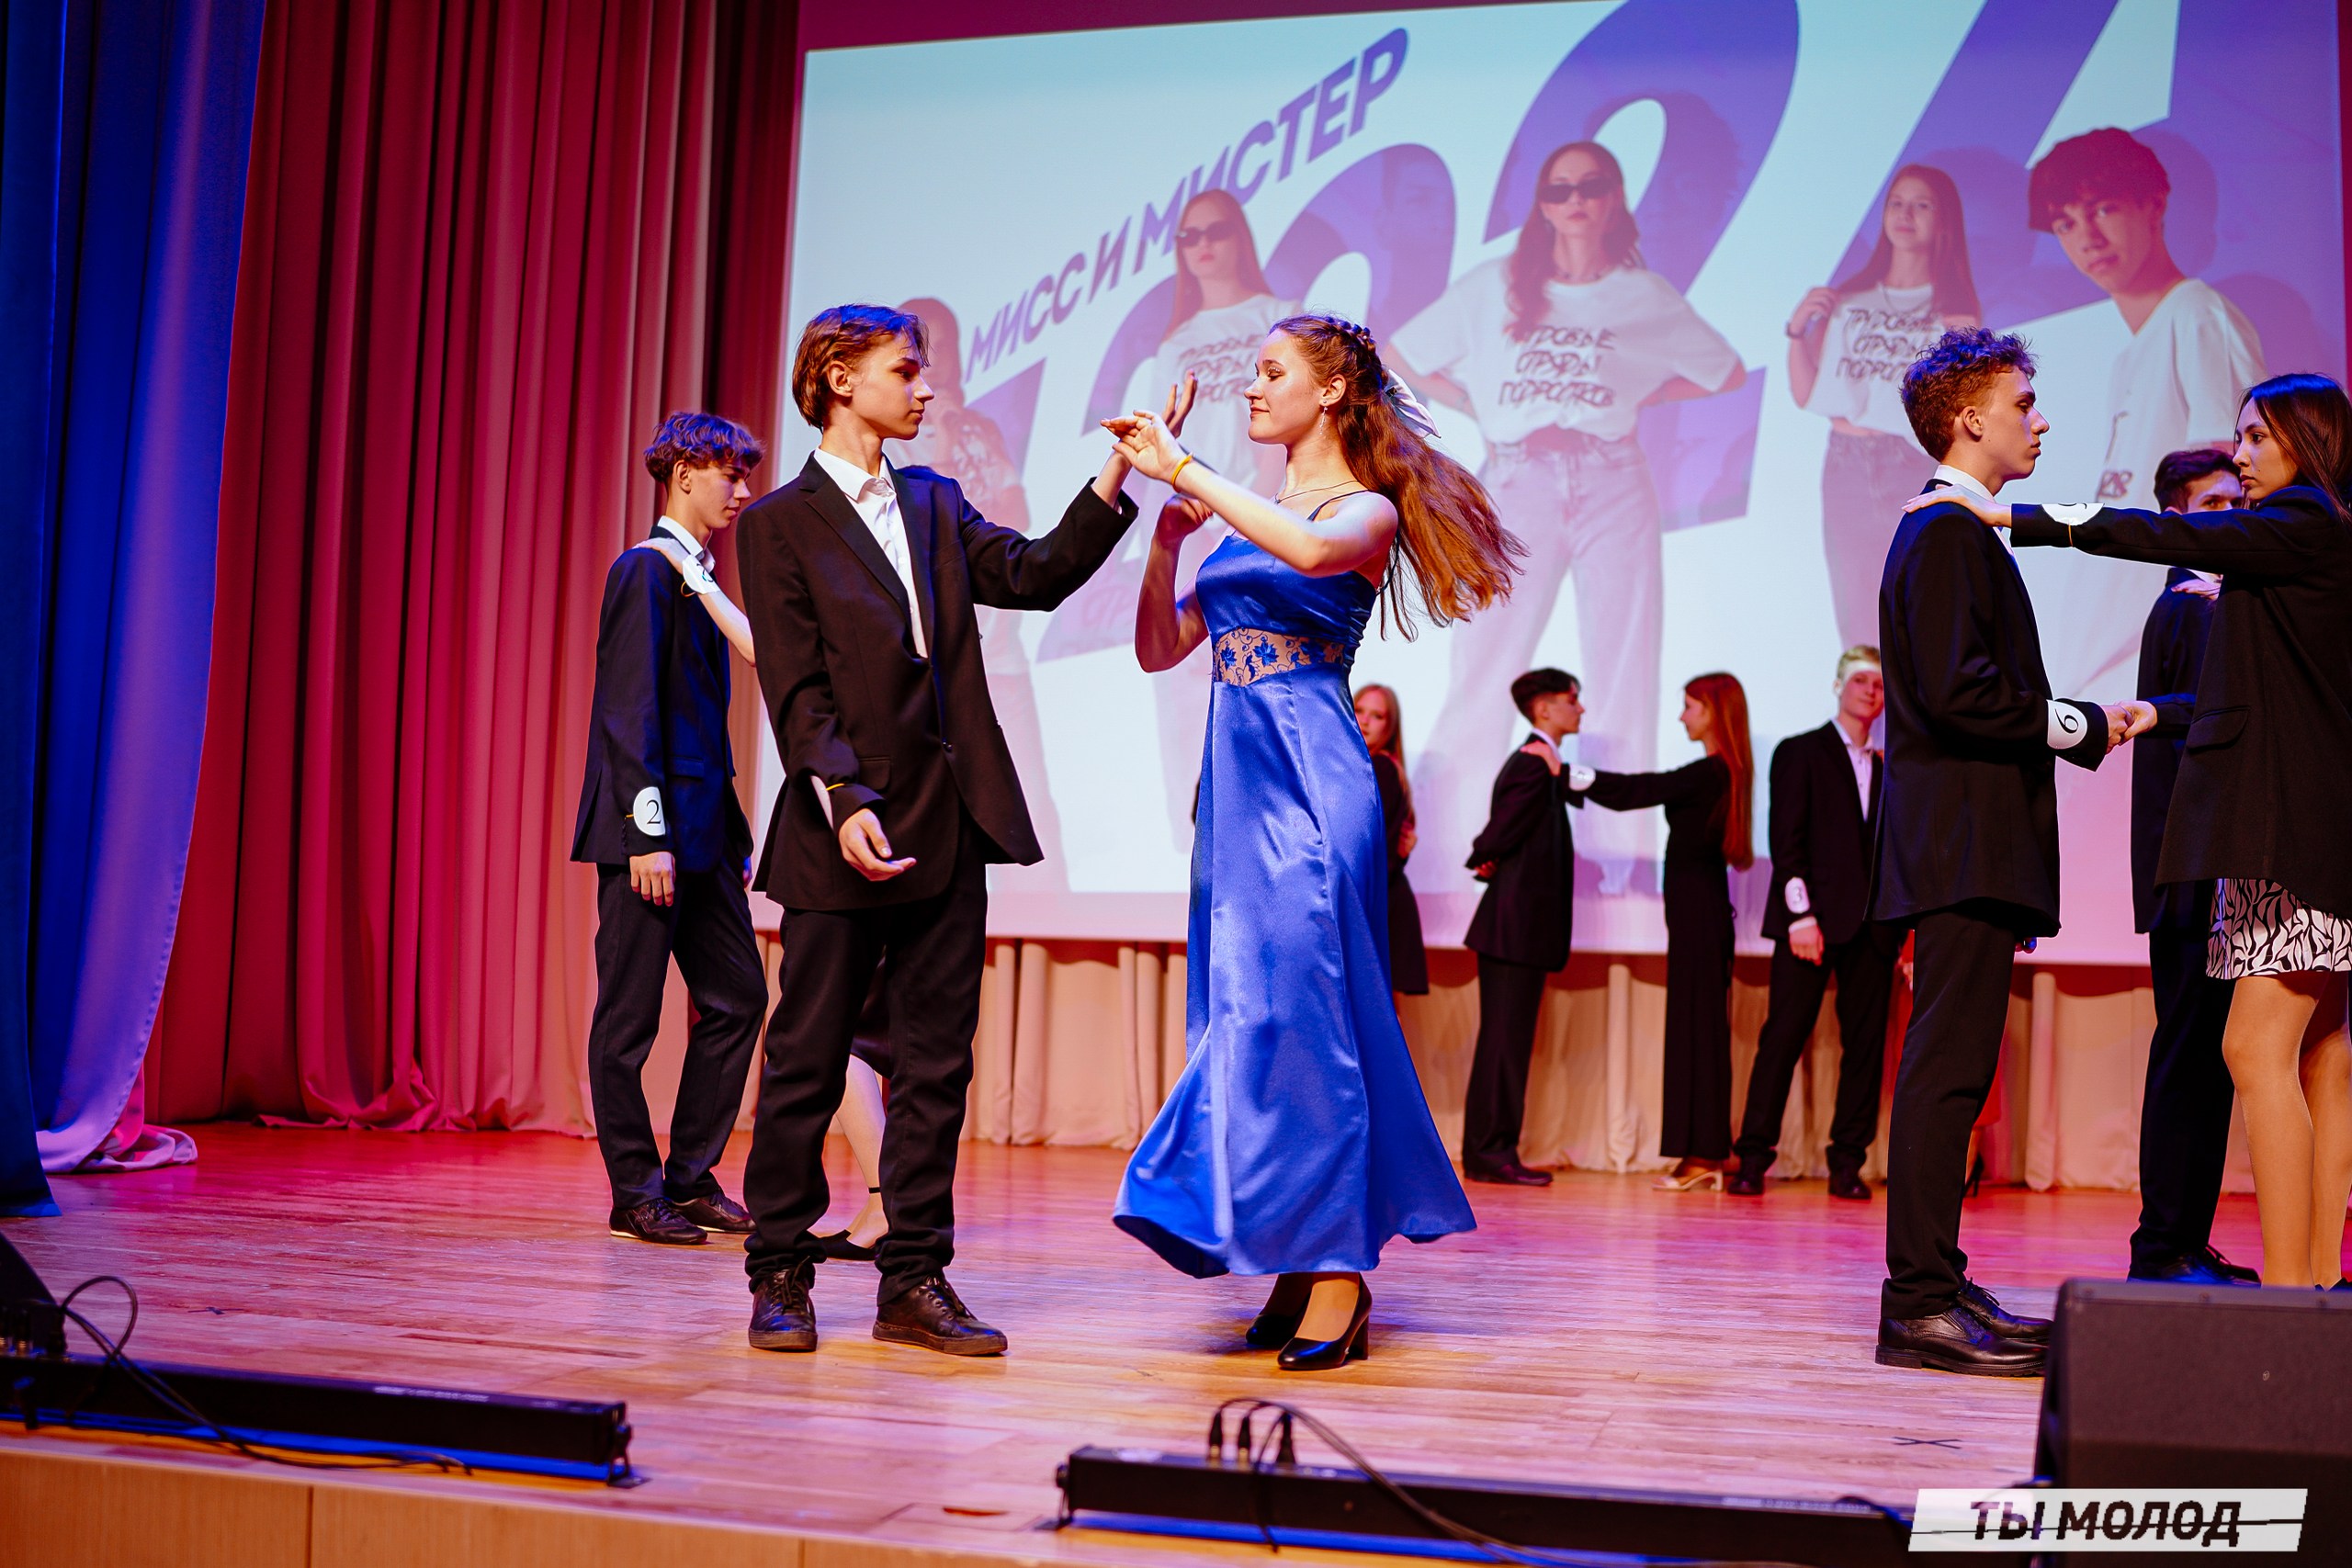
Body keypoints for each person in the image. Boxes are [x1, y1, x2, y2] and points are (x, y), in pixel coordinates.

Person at [1109, 310, 1519, 1371]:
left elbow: (1309, 550)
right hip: (1235, 795)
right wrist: (1166, 537)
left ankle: (1337, 1273)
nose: (1251, 388)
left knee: (1308, 1022)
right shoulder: (1238, 519)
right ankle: (1297, 1256)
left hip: (1311, 785)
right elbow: (1159, 649)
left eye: (1270, 371)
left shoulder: (1359, 510)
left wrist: (1187, 469)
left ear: (1331, 391)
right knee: (1251, 1021)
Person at [733, 304, 1138, 1357]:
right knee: (806, 1058)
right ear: (837, 377)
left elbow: (1034, 574)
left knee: (934, 1065)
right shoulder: (778, 523)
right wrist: (844, 795)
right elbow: (795, 688)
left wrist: (1113, 477)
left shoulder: (934, 500)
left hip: (946, 822)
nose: (925, 389)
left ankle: (913, 1278)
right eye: (905, 371)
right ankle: (779, 1270)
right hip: (840, 827)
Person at [1927, 373, 2352, 1291]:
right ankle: (2320, 1281)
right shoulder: (2307, 539)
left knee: (2252, 1050)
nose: (2240, 456)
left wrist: (2017, 518)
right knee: (2322, 1055)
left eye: (2255, 437)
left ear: (2305, 440)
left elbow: (2169, 532)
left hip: (2290, 839)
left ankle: (2293, 1297)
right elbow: (2269, 689)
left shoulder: (2305, 519)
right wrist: (2166, 703)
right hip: (2304, 832)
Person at [1875, 328, 2153, 1377]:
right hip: (1960, 844)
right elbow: (1960, 693)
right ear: (1968, 420)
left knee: (1955, 1074)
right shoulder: (1946, 532)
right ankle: (1917, 1305)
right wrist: (2082, 724)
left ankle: (1939, 1285)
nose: (2040, 420)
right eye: (2023, 402)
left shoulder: (1957, 531)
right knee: (1945, 1076)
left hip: (1965, 842)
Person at [1393, 140, 1745, 889]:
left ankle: (1622, 861)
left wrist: (1641, 394)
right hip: (1519, 473)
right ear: (1542, 205)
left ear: (1615, 198)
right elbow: (1402, 353)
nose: (1575, 201)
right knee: (1485, 658)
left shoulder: (1643, 295)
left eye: (1590, 187)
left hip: (1612, 474)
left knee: (1622, 664)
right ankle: (1452, 852)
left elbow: (1724, 371)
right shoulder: (1494, 286)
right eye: (1559, 189)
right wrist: (1478, 407)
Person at [570, 412, 769, 1247]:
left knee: (739, 996)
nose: (742, 489)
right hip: (650, 838)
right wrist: (646, 833)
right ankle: (634, 1190)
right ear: (684, 472)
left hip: (704, 837)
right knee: (629, 1019)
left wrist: (727, 834)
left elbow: (700, 722)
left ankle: (688, 1177)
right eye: (730, 473)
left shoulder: (699, 578)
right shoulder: (645, 569)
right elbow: (629, 713)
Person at [2024, 129, 2265, 692]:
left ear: (2154, 204)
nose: (2087, 238)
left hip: (2160, 654)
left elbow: (2227, 492)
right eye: (2065, 223)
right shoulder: (2133, 353)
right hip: (2111, 655)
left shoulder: (2199, 316)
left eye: (2103, 209)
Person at [2119, 448, 2256, 1286]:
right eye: (2215, 504)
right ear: (2176, 519)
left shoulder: (2215, 602)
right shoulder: (2193, 607)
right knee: (2187, 1055)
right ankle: (2163, 1244)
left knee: (2206, 1055)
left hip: (2200, 867)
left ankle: (2182, 1240)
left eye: (2240, 501)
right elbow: (2213, 723)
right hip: (2194, 871)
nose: (2234, 514)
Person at [1134, 193, 1301, 848]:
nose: (1203, 246)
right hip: (1201, 522)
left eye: (1216, 231)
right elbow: (1164, 444)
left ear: (1241, 236)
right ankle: (1193, 842)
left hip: (1269, 517)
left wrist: (1255, 499)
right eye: (1189, 236)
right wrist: (1170, 532)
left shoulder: (1276, 317)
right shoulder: (1176, 343)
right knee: (1185, 687)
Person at [890, 297, 1066, 890]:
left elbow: (1017, 518)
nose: (938, 360)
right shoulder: (895, 443)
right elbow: (922, 530)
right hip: (935, 661)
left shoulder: (982, 428)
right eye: (925, 349)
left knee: (1030, 796)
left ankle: (1048, 910)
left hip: (1002, 648)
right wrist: (941, 443)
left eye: (948, 345)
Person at [1728, 648, 1897, 1201]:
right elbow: (1786, 842)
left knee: (1865, 1049)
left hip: (1874, 929)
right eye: (1861, 680)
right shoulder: (1799, 751)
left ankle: (1848, 1162)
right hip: (1811, 922)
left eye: (1879, 683)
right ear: (1838, 686)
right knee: (1783, 1037)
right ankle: (1753, 1157)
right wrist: (1801, 915)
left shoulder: (1893, 765)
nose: (1870, 690)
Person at [1786, 165, 1978, 648]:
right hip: (1845, 462)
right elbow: (1810, 395)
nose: (1905, 215)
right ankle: (1865, 698)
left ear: (1944, 220)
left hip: (1908, 462)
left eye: (1921, 205)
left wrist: (1963, 342)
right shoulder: (1850, 301)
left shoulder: (1953, 312)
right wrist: (1796, 332)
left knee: (1915, 602)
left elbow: (1961, 410)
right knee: (1854, 601)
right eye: (1896, 203)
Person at [1582, 673, 1756, 1190]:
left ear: (1714, 711)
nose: (1682, 717)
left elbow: (1639, 791)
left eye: (1690, 707)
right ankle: (1703, 1152)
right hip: (1699, 917)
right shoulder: (1721, 771)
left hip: (1699, 919)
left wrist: (1569, 774)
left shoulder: (1709, 772)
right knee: (1697, 1030)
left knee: (1696, 1032)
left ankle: (1703, 1156)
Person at [1459, 668, 1588, 1187]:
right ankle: (1491, 1153)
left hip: (1518, 929)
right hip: (1514, 930)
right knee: (1503, 1045)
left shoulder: (1542, 762)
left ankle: (1492, 1150)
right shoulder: (1534, 762)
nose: (1580, 707)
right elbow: (1502, 829)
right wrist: (1482, 856)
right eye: (1572, 699)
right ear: (1544, 709)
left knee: (1506, 1043)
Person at [1353, 683, 1429, 998]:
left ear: (1390, 726)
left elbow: (1368, 845)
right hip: (1378, 900)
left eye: (1378, 715)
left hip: (1375, 904)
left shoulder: (1380, 768)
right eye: (1359, 710)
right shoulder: (1365, 764)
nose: (1365, 721)